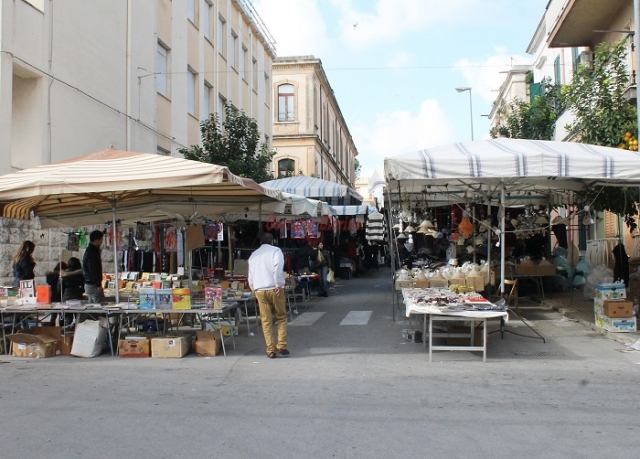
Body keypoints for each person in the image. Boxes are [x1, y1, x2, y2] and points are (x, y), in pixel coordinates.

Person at [248, 232, 288, 359]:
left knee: (266, 320)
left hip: (259, 289)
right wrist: (278, 284)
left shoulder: (253, 255)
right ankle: (281, 345)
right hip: (273, 287)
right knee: (281, 317)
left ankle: (270, 349)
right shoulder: (276, 251)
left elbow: (250, 275)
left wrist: (254, 288)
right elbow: (277, 267)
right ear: (272, 241)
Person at [83, 230, 105, 303]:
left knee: (92, 307)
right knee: (99, 306)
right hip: (93, 284)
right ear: (96, 240)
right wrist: (98, 284)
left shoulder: (90, 250)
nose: (102, 242)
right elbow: (93, 268)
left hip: (89, 283)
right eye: (101, 240)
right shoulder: (92, 252)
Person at [45, 261, 67, 325]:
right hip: (60, 295)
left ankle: (52, 327)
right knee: (61, 314)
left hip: (53, 296)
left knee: (53, 314)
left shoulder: (51, 276)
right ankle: (61, 327)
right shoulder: (61, 276)